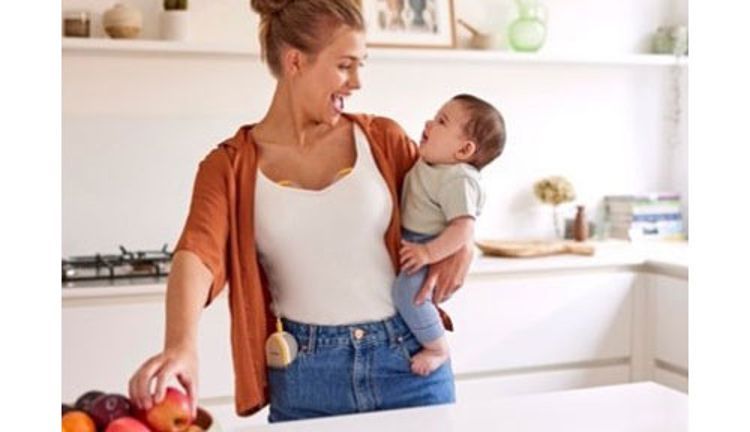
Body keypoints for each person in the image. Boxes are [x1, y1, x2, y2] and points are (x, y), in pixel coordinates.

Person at [128, 0, 474, 423]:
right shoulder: (230, 166)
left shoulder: (383, 140)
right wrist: (181, 344)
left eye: (361, 65)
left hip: (408, 363)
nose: (357, 81)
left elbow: (449, 193)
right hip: (308, 375)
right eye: (346, 65)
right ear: (295, 61)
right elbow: (197, 254)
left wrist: (466, 239)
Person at [394, 94, 506, 376]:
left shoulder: (459, 178)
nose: (429, 123)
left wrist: (428, 253)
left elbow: (463, 227)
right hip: (415, 240)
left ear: (464, 150)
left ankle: (437, 347)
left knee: (410, 294)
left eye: (442, 121)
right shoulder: (432, 164)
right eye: (435, 116)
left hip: (429, 243)